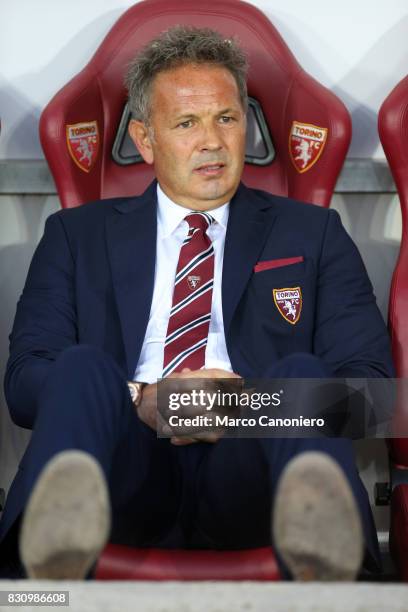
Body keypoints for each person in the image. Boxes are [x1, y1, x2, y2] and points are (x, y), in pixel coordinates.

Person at [0, 26, 394, 581]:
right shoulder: (74, 236)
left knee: (301, 376)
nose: (212, 141)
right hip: (118, 469)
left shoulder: (313, 234)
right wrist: (140, 399)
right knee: (81, 369)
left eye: (226, 119)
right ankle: (42, 572)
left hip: (253, 470)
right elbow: (23, 387)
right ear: (145, 139)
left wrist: (244, 407)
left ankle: (331, 573)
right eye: (186, 123)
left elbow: (373, 397)